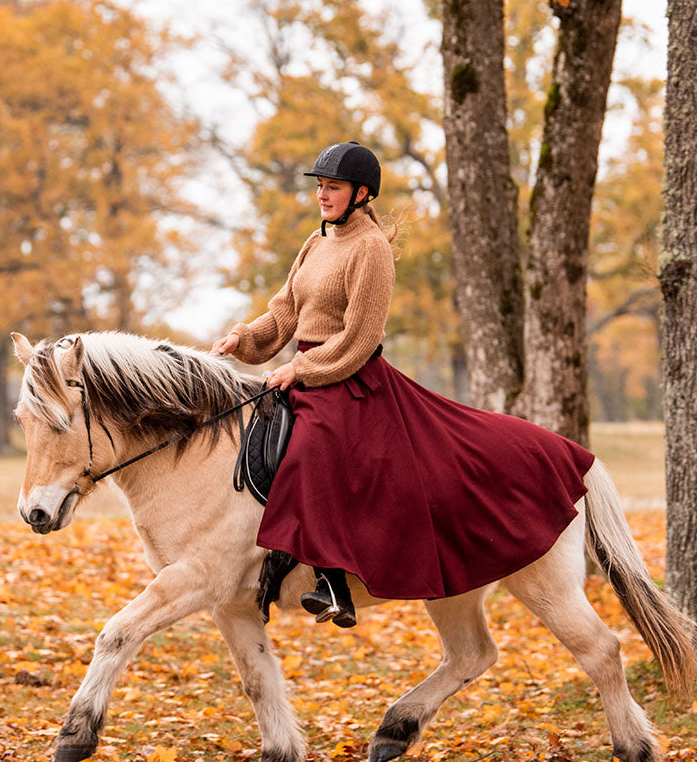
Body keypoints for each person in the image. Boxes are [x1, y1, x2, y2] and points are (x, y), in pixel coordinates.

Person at [211, 141, 594, 629]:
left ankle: (333, 583)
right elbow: (284, 312)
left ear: (361, 194)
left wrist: (301, 370)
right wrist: (243, 338)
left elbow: (359, 337)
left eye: (333, 187)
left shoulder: (370, 249)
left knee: (310, 449)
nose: (323, 195)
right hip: (308, 371)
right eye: (321, 187)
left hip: (348, 377)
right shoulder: (316, 242)